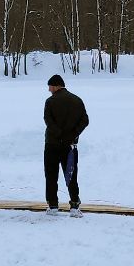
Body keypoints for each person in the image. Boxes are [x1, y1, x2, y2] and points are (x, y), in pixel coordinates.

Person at [42, 74, 89, 216]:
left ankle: (53, 206)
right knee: (71, 175)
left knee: (51, 175)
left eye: (50, 87)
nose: (49, 90)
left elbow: (48, 121)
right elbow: (85, 120)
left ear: (56, 86)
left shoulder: (50, 102)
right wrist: (73, 134)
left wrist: (58, 134)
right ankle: (74, 205)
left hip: (52, 144)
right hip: (70, 146)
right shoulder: (77, 100)